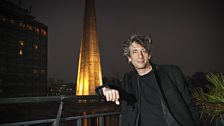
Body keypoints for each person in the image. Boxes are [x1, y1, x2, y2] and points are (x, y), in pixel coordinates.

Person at [96, 34, 200, 126]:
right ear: (129, 58)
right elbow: (104, 87)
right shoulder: (129, 79)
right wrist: (105, 89)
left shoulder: (171, 72)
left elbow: (190, 105)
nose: (140, 56)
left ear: (149, 55)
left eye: (143, 51)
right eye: (135, 52)